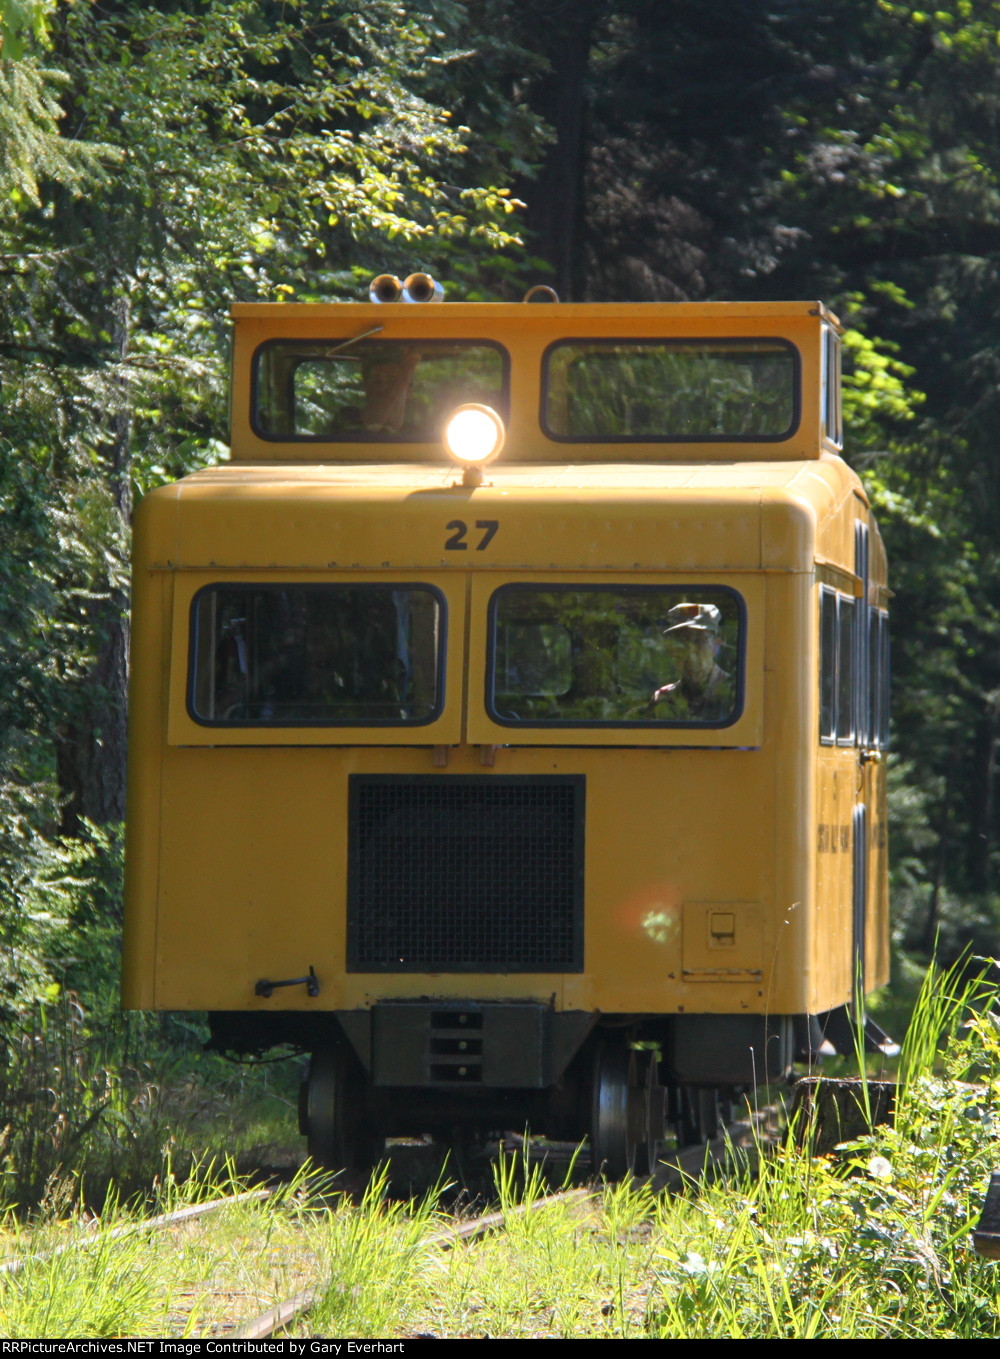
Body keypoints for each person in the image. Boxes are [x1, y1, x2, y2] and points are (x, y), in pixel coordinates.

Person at [652, 602, 733, 719]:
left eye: (698, 640)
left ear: (716, 644)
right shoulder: (664, 697)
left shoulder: (736, 692)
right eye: (682, 642)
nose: (690, 652)